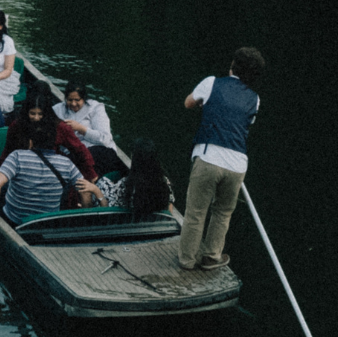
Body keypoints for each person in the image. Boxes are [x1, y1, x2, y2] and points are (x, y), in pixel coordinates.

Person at [177, 46, 265, 271]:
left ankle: (187, 260)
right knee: (223, 212)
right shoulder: (255, 100)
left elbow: (188, 103)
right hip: (237, 164)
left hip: (209, 157)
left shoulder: (211, 82)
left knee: (196, 211)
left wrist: (203, 104)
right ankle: (211, 257)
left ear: (233, 65)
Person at [0, 122, 99, 226]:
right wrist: (85, 213)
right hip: (47, 222)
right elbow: (85, 192)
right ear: (54, 142)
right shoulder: (66, 163)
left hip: (15, 219)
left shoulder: (17, 156)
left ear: (31, 141)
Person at [0, 89, 99, 180]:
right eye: (32, 113)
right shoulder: (17, 125)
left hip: (50, 170)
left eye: (40, 114)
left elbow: (79, 150)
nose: (36, 118)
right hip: (23, 167)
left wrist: (91, 174)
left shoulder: (59, 127)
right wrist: (0, 170)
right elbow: (8, 150)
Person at [98, 138, 176, 213]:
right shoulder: (165, 184)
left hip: (132, 223)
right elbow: (170, 211)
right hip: (155, 223)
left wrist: (96, 191)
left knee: (103, 183)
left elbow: (108, 209)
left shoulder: (128, 186)